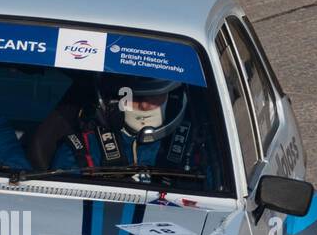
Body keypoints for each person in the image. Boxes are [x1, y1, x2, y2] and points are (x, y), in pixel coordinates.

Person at [46, 73, 223, 190]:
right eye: (135, 97)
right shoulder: (81, 149)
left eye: (155, 95)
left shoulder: (198, 146)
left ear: (173, 96)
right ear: (113, 100)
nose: (145, 105)